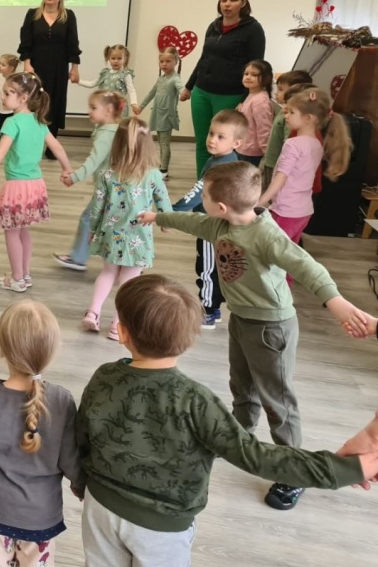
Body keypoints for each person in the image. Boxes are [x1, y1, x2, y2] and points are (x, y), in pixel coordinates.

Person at [76, 274, 378, 567]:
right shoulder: (196, 401)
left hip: (99, 507)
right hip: (162, 527)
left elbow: (80, 435)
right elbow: (256, 457)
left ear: (123, 333)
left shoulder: (104, 376)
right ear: (188, 340)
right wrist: (343, 469)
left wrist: (81, 484)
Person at [141, 161, 371, 510]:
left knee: (278, 403)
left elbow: (307, 266)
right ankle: (238, 439)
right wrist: (158, 217)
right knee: (242, 387)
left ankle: (294, 472)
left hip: (272, 329)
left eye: (204, 196)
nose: (201, 201)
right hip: (242, 320)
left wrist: (335, 302)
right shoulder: (219, 225)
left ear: (221, 206)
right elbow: (191, 222)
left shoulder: (266, 235)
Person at [0, 301, 83, 567]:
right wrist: (80, 485)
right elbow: (71, 459)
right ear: (51, 352)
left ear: (2, 349)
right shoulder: (62, 400)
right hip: (42, 516)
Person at [0, 73, 71, 292]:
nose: (3, 97)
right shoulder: (38, 121)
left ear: (23, 98)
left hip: (16, 187)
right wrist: (67, 169)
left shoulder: (12, 122)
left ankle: (16, 279)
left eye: (8, 93)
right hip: (35, 186)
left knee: (12, 232)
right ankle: (25, 274)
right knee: (23, 231)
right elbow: (57, 147)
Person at [82, 117, 171, 341]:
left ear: (117, 144)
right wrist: (166, 222)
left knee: (108, 273)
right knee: (130, 281)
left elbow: (96, 206)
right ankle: (117, 325)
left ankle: (93, 312)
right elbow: (163, 201)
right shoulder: (153, 174)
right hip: (138, 237)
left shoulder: (107, 174)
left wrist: (92, 229)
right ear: (147, 145)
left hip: (111, 234)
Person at [258, 88, 352, 276]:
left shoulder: (293, 144)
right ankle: (286, 288)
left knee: (273, 260)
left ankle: (275, 291)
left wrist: (260, 201)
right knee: (289, 257)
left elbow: (281, 177)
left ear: (309, 118)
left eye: (291, 112)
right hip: (303, 210)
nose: (286, 115)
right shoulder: (316, 143)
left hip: (286, 210)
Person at [170, 109, 247, 330]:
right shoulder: (226, 160)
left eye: (221, 137)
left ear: (237, 143)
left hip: (210, 224)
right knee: (215, 267)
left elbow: (197, 192)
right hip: (220, 223)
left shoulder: (218, 166)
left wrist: (171, 212)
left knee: (206, 268)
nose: (212, 140)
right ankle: (214, 307)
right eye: (211, 133)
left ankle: (208, 310)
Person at [180, 0, 266, 175]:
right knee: (204, 143)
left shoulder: (253, 29)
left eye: (233, 0)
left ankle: (219, 185)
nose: (227, 4)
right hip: (202, 92)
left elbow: (256, 67)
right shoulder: (214, 26)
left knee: (223, 146)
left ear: (243, 3)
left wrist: (244, 99)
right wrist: (189, 86)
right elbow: (204, 58)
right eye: (224, 0)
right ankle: (202, 184)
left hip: (230, 95)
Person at [52, 90, 124, 272]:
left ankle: (79, 258)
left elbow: (93, 161)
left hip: (109, 189)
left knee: (89, 219)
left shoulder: (106, 134)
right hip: (118, 187)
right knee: (115, 223)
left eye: (93, 108)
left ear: (108, 110)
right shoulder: (117, 129)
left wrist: (74, 177)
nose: (88, 112)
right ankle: (127, 262)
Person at [17, 0, 81, 140]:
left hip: (59, 67)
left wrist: (74, 68)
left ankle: (52, 143)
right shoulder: (33, 14)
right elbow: (26, 41)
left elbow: (72, 43)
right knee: (35, 101)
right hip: (36, 65)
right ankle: (34, 141)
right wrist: (27, 63)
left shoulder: (68, 15)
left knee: (55, 102)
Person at [132, 47, 182, 178]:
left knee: (164, 144)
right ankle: (162, 167)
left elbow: (181, 88)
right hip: (158, 115)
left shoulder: (175, 78)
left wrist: (184, 93)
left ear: (176, 61)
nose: (164, 64)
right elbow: (151, 93)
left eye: (168, 61)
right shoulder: (161, 79)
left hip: (167, 116)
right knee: (161, 142)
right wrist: (141, 107)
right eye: (162, 61)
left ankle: (164, 170)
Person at [260, 70, 312, 190]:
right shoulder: (284, 111)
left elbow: (288, 146)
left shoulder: (290, 118)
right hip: (269, 161)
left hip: (276, 166)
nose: (276, 93)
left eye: (281, 89)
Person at [77, 44, 137, 118]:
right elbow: (92, 84)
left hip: (119, 108)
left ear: (125, 59)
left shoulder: (125, 74)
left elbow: (131, 90)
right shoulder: (105, 73)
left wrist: (134, 103)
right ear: (109, 58)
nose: (116, 61)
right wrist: (78, 81)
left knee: (117, 124)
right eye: (113, 58)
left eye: (119, 58)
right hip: (105, 107)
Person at [235, 58, 275, 166]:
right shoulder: (252, 95)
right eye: (246, 74)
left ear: (266, 78)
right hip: (243, 148)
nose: (248, 77)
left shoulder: (260, 102)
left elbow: (264, 130)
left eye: (254, 75)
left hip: (252, 153)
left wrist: (267, 153)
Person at [0, 54, 20, 158]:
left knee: (12, 130)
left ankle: (13, 149)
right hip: (0, 109)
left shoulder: (16, 80)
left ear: (11, 68)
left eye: (3, 64)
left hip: (12, 111)